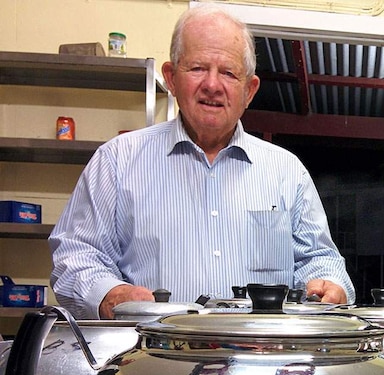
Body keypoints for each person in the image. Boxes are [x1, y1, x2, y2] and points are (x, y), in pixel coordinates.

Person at [48, 5, 354, 320]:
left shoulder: (287, 173)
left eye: (228, 73)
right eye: (197, 68)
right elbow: (77, 255)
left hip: (261, 362)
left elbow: (320, 258)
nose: (212, 84)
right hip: (148, 363)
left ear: (249, 90)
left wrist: (329, 286)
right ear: (171, 78)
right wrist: (108, 294)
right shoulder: (116, 161)